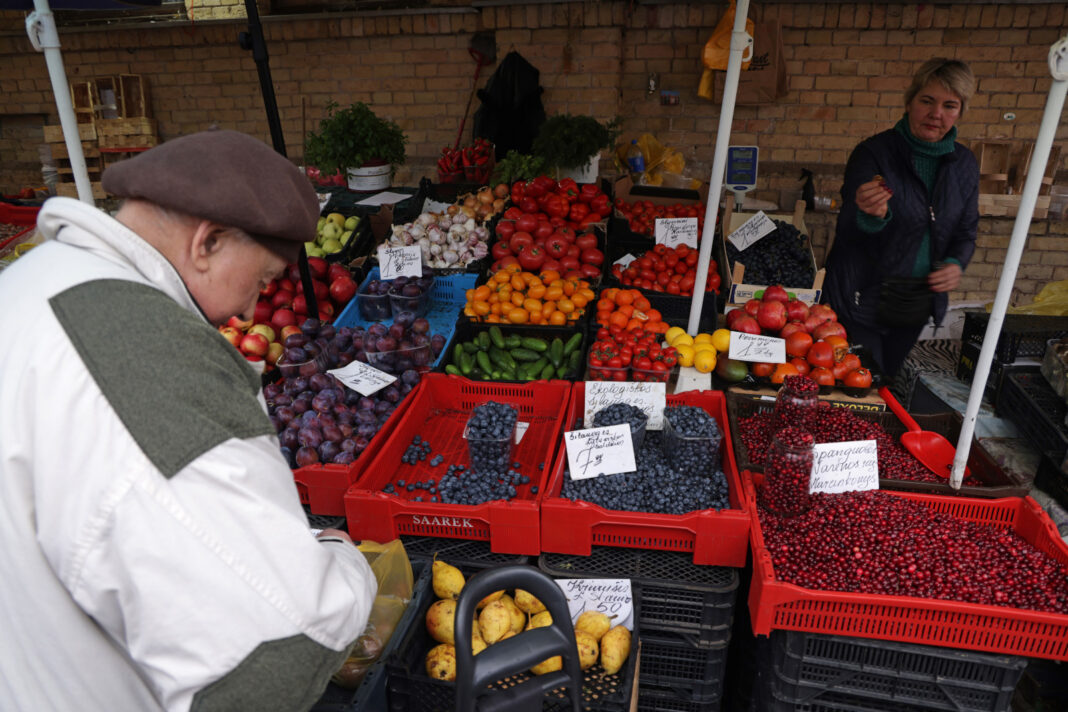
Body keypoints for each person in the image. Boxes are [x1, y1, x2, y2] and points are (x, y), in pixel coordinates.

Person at [0, 130, 377, 711]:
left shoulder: (27, 286)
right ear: (209, 242)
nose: (253, 309)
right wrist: (345, 565)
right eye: (261, 280)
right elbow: (277, 650)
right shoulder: (152, 357)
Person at [822, 58, 979, 380]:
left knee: (888, 379)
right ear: (909, 102)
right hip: (861, 295)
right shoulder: (874, 153)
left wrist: (955, 263)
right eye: (927, 101)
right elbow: (847, 230)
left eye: (950, 105)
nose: (936, 114)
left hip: (916, 300)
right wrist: (871, 216)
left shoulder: (964, 164)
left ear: (960, 112)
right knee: (859, 383)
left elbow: (966, 230)